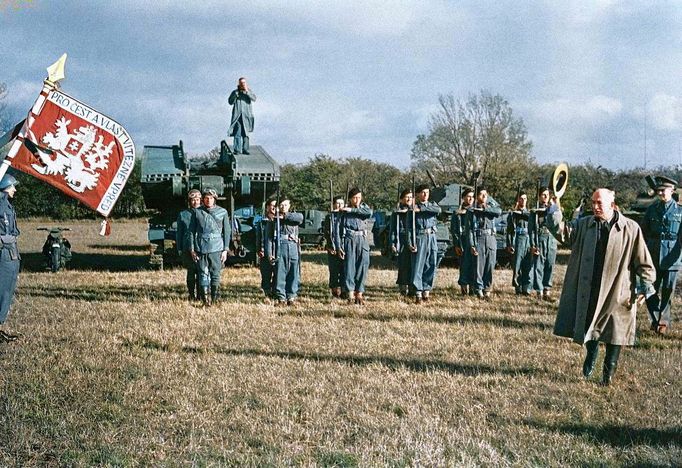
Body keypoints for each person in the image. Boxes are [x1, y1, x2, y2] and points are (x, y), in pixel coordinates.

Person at [549, 188, 655, 386]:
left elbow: (644, 262)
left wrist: (645, 286)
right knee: (590, 324)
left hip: (619, 290)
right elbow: (563, 233)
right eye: (593, 202)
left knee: (616, 332)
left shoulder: (630, 229)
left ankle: (608, 375)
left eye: (600, 203)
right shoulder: (584, 225)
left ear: (612, 206)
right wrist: (555, 207)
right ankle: (591, 352)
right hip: (591, 286)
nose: (595, 207)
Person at [641, 175, 682, 334]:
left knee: (668, 291)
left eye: (664, 190)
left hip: (672, 255)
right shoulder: (652, 209)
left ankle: (662, 323)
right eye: (659, 190)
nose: (661, 193)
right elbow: (643, 232)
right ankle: (656, 317)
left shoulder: (679, 211)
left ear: (672, 190)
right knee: (649, 289)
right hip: (652, 254)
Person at [189, 188, 231, 306]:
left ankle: (215, 299)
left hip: (217, 248)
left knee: (216, 274)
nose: (208, 200)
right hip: (201, 248)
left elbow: (227, 231)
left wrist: (225, 249)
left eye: (211, 198)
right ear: (203, 200)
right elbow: (191, 232)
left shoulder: (223, 212)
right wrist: (192, 249)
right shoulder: (197, 212)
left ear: (215, 199)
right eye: (206, 198)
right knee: (203, 273)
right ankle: (205, 300)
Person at [337, 188, 373, 305]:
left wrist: (351, 210)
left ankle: (359, 293)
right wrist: (339, 246)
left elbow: (368, 213)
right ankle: (350, 294)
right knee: (349, 267)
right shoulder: (344, 212)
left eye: (359, 197)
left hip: (362, 240)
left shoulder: (363, 209)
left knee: (362, 267)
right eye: (354, 198)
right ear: (350, 199)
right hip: (349, 239)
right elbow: (337, 230)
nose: (357, 200)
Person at [408, 184, 442, 303]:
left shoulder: (432, 205)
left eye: (427, 192)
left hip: (432, 237)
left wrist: (421, 209)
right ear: (417, 194)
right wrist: (410, 242)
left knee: (431, 263)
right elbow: (409, 228)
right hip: (420, 237)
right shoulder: (413, 208)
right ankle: (418, 291)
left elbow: (438, 210)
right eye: (422, 192)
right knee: (418, 265)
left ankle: (426, 290)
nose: (425, 195)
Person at [467, 186, 502, 299]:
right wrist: (472, 244)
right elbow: (470, 230)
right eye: (481, 194)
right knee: (479, 266)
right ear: (476, 196)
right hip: (479, 238)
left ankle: (487, 289)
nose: (484, 196)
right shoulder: (472, 210)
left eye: (485, 194)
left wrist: (485, 209)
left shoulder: (491, 208)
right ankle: (479, 289)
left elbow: (498, 212)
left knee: (490, 265)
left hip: (491, 238)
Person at [273, 196, 304, 305]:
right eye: (281, 205)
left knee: (294, 271)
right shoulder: (274, 218)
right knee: (280, 272)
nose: (283, 207)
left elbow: (300, 218)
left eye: (285, 205)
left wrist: (285, 216)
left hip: (293, 246)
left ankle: (291, 296)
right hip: (281, 245)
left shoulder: (294, 216)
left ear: (289, 206)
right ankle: (281, 296)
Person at [0, 174, 20, 343]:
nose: (14, 189)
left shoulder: (7, 204)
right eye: (12, 186)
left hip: (11, 250)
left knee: (7, 288)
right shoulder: (1, 203)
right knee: (2, 289)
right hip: (3, 251)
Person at [529, 187, 558, 301]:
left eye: (547, 195)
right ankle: (539, 292)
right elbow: (531, 229)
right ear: (539, 196)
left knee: (550, 265)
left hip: (551, 239)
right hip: (540, 238)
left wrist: (554, 206)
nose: (545, 197)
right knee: (539, 266)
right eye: (543, 195)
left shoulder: (553, 209)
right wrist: (533, 244)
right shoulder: (535, 211)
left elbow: (557, 222)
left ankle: (547, 290)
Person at [176, 189, 201, 301]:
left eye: (197, 200)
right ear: (189, 201)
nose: (195, 202)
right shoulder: (183, 215)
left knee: (202, 272)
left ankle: (201, 295)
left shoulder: (204, 213)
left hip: (202, 247)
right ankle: (191, 294)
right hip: (187, 247)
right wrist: (180, 248)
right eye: (192, 200)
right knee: (191, 272)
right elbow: (179, 233)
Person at [506, 192, 532, 295]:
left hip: (528, 238)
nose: (523, 200)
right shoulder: (513, 214)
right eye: (521, 198)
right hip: (518, 238)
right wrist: (509, 244)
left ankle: (526, 288)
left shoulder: (530, 213)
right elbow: (510, 230)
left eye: (525, 198)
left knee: (527, 264)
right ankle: (518, 287)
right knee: (517, 264)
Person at [450, 188, 475, 295]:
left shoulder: (476, 211)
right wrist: (456, 244)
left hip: (475, 241)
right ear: (463, 198)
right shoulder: (457, 213)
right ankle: (464, 290)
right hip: (463, 241)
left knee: (475, 266)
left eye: (472, 197)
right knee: (464, 266)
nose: (470, 199)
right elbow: (454, 230)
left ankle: (474, 289)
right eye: (468, 196)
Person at [389, 189, 413, 297]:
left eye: (411, 197)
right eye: (406, 197)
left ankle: (413, 287)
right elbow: (393, 229)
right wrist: (393, 243)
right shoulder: (397, 213)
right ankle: (403, 287)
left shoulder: (415, 210)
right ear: (401, 199)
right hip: (402, 239)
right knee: (403, 265)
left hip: (414, 239)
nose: (409, 199)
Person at [323, 195, 346, 298]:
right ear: (333, 205)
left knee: (345, 269)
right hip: (332, 247)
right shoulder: (329, 217)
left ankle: (344, 289)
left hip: (344, 247)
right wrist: (329, 247)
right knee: (334, 270)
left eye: (341, 203)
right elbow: (327, 233)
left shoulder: (346, 216)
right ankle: (334, 289)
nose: (339, 205)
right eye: (337, 203)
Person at [256, 196, 277, 300]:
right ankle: (267, 293)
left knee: (278, 274)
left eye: (275, 206)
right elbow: (259, 237)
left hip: (277, 251)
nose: (273, 208)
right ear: (267, 207)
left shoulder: (280, 221)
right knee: (266, 274)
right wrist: (259, 249)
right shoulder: (262, 222)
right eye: (272, 206)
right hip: (265, 252)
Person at [228, 77, 256, 155]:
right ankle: (237, 150)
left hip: (246, 116)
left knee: (246, 133)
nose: (242, 84)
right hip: (237, 116)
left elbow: (254, 98)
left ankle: (245, 149)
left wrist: (247, 92)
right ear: (239, 83)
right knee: (237, 133)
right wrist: (235, 95)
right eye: (241, 83)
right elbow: (230, 102)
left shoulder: (249, 91)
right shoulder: (235, 92)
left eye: (244, 83)